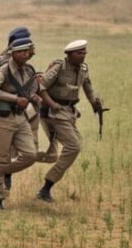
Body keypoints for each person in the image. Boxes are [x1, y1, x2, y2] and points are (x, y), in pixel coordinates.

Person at [36, 40, 104, 203]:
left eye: (84, 53)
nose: (83, 56)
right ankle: (46, 187)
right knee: (74, 146)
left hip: (69, 112)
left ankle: (23, 161)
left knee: (74, 146)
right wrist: (52, 105)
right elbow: (41, 87)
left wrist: (95, 103)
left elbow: (87, 87)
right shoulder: (58, 67)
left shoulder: (83, 69)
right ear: (69, 54)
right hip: (55, 113)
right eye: (79, 53)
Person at [0, 37, 42, 210]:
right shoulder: (3, 71)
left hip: (21, 118)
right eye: (21, 52)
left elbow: (29, 90)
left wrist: (33, 97)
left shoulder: (28, 70)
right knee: (3, 157)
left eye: (27, 51)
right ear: (13, 53)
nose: (25, 54)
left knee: (30, 154)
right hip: (2, 118)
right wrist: (15, 99)